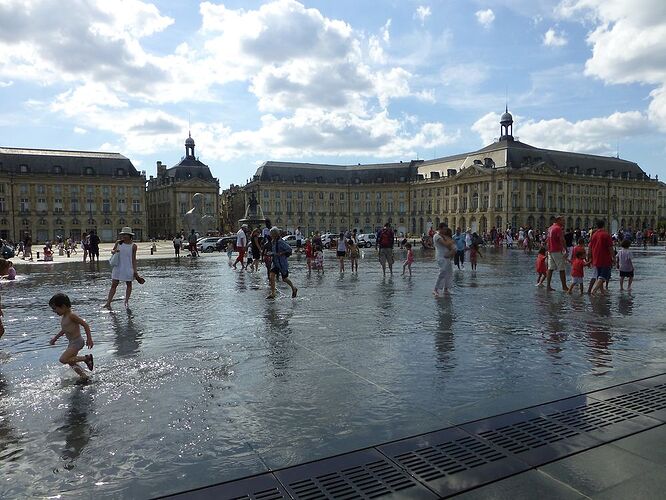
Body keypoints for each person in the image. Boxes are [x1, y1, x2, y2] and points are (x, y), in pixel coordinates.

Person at [48, 293, 94, 380]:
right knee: (71, 361)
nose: (54, 311)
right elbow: (64, 330)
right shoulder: (64, 316)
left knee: (63, 359)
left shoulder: (71, 316)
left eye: (55, 308)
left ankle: (86, 358)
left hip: (77, 342)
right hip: (72, 342)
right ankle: (83, 376)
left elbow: (85, 325)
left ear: (63, 306)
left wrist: (89, 339)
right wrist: (55, 338)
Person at [104, 227, 143, 309]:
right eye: (123, 234)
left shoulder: (133, 246)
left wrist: (135, 272)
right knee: (114, 284)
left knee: (129, 284)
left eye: (126, 235)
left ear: (130, 236)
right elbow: (112, 251)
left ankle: (126, 301)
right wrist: (114, 251)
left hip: (128, 267)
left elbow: (133, 259)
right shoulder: (118, 243)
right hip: (118, 266)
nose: (124, 236)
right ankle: (108, 302)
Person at [266, 227, 298, 299]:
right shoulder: (273, 241)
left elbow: (289, 249)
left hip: (282, 263)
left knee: (284, 278)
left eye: (271, 233)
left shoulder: (280, 242)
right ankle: (273, 293)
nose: (270, 235)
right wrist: (271, 254)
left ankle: (293, 288)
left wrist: (280, 253)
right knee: (271, 276)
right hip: (275, 262)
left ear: (275, 234)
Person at [589, 219, 614, 295]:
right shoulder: (606, 235)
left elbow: (590, 247)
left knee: (599, 275)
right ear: (604, 225)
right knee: (604, 276)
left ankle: (602, 291)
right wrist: (614, 258)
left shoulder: (594, 235)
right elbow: (610, 248)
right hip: (605, 258)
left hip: (596, 258)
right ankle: (594, 290)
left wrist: (590, 257)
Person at [546, 216, 568, 291]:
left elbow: (547, 240)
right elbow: (562, 240)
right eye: (563, 220)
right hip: (557, 250)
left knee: (550, 268)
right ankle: (564, 286)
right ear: (558, 220)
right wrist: (566, 250)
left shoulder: (550, 228)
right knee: (562, 269)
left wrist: (547, 250)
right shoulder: (558, 228)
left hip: (550, 250)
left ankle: (548, 286)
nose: (564, 222)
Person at [433, 224, 455, 296]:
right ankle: (436, 289)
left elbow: (449, 245)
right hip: (441, 256)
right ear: (440, 228)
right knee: (442, 272)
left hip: (447, 256)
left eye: (446, 229)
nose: (445, 231)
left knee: (449, 272)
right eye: (444, 229)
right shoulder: (437, 236)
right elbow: (446, 244)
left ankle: (446, 289)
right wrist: (452, 242)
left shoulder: (444, 236)